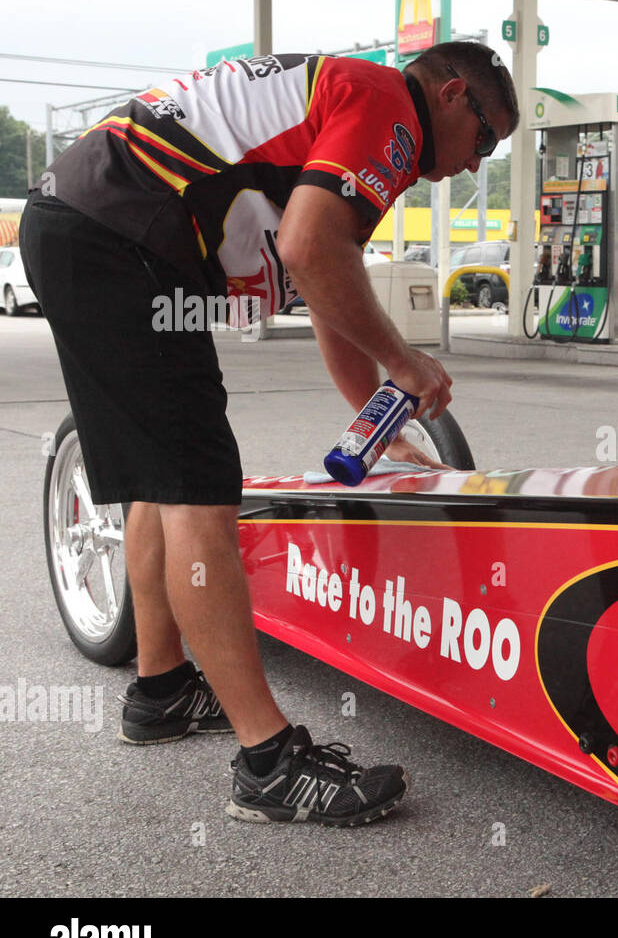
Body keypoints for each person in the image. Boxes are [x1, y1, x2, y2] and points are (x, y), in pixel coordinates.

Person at [21, 41, 519, 826]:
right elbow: (310, 247)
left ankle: (161, 689)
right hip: (122, 237)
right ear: (454, 94)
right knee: (198, 485)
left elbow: (325, 276)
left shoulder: (347, 106)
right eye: (486, 141)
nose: (472, 165)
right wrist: (404, 360)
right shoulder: (389, 105)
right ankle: (269, 762)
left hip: (80, 223)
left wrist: (377, 421)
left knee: (162, 472)